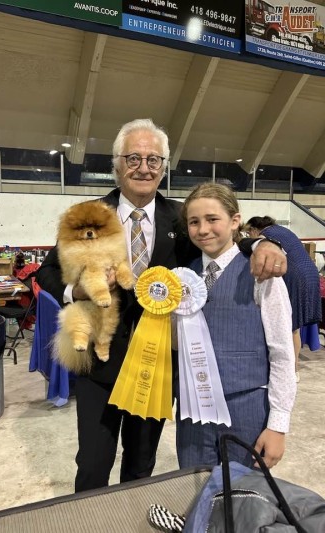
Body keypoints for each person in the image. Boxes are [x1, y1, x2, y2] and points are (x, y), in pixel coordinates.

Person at [36, 118, 287, 492]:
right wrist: (78, 292)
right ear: (117, 164)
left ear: (164, 167)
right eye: (133, 158)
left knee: (141, 466)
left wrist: (266, 243)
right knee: (92, 463)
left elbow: (219, 241)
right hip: (99, 363)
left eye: (153, 159)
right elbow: (47, 272)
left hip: (156, 366)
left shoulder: (181, 219)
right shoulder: (88, 214)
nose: (144, 168)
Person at [176, 183, 296, 470]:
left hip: (246, 409)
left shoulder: (261, 272)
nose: (203, 229)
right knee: (196, 488)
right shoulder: (181, 276)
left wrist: (278, 425)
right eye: (194, 222)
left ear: (234, 221)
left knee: (245, 492)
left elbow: (282, 353)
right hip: (192, 412)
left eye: (212, 219)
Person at [245, 216, 321, 383]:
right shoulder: (284, 230)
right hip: (311, 273)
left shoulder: (265, 238)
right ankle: (294, 367)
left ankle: (293, 370)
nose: (249, 237)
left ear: (255, 229)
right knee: (295, 325)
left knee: (291, 326)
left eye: (249, 233)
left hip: (295, 277)